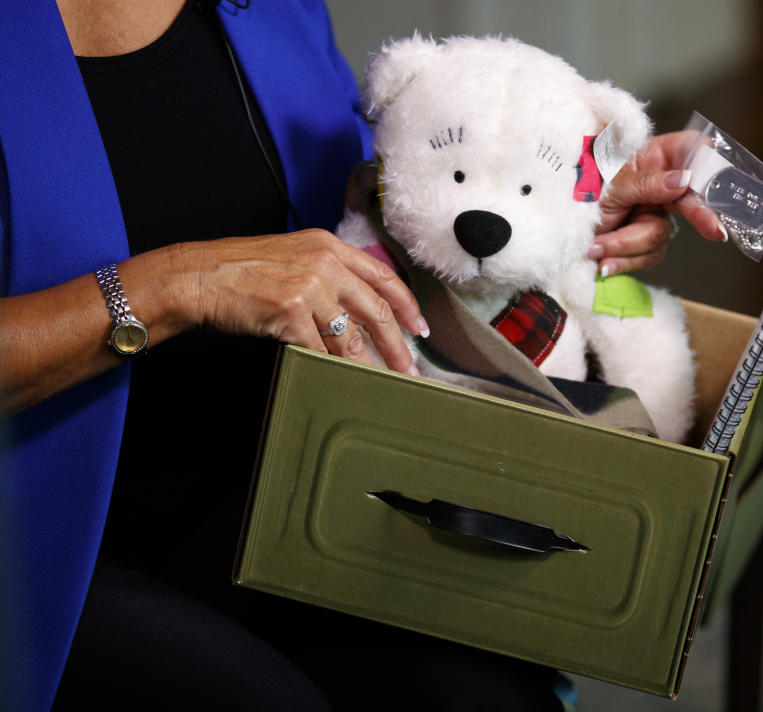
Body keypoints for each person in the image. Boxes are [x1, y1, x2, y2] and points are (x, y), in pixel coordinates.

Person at [0, 1, 725, 710]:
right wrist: (174, 285)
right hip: (44, 537)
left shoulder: (273, 11)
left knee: (484, 693)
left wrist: (574, 193)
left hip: (288, 482)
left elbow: (377, 204)